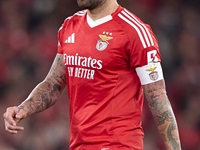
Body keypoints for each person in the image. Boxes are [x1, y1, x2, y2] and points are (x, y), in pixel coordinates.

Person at [3, 0, 182, 149]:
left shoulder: (135, 32)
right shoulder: (69, 26)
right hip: (78, 144)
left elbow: (158, 99)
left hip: (117, 144)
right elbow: (53, 83)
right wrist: (23, 108)